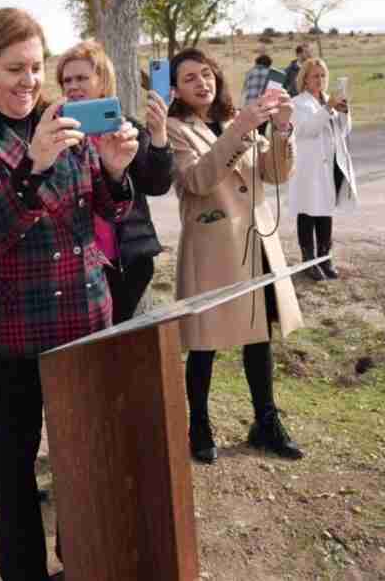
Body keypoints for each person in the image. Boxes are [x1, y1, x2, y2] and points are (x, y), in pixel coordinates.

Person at [0, 8, 138, 581]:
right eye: (14, 68)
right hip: (12, 336)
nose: (30, 81)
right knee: (16, 471)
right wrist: (33, 166)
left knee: (82, 459)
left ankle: (85, 560)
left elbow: (105, 211)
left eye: (37, 66)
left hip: (84, 323)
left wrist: (117, 173)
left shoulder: (63, 120)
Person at [165, 47, 305, 466]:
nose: (202, 82)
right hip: (211, 248)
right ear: (175, 89)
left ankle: (266, 422)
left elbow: (275, 173)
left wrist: (281, 130)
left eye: (206, 74)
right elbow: (198, 179)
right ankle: (200, 427)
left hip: (256, 241)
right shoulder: (174, 129)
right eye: (190, 78)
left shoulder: (233, 119)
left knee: (259, 337)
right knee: (204, 345)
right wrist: (242, 128)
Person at [56, 39, 173, 322]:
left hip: (129, 262)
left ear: (102, 80)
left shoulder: (127, 127)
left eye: (82, 77)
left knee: (123, 347)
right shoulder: (55, 133)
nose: (72, 86)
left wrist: (159, 136)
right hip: (76, 267)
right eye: (66, 80)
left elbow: (157, 185)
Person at [289, 58, 359, 281]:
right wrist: (327, 109)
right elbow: (306, 130)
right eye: (315, 76)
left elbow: (344, 131)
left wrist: (345, 112)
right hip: (308, 167)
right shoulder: (297, 103)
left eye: (323, 76)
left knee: (325, 211)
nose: (320, 80)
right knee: (308, 211)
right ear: (305, 80)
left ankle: (324, 258)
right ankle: (309, 262)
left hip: (330, 165)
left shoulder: (330, 100)